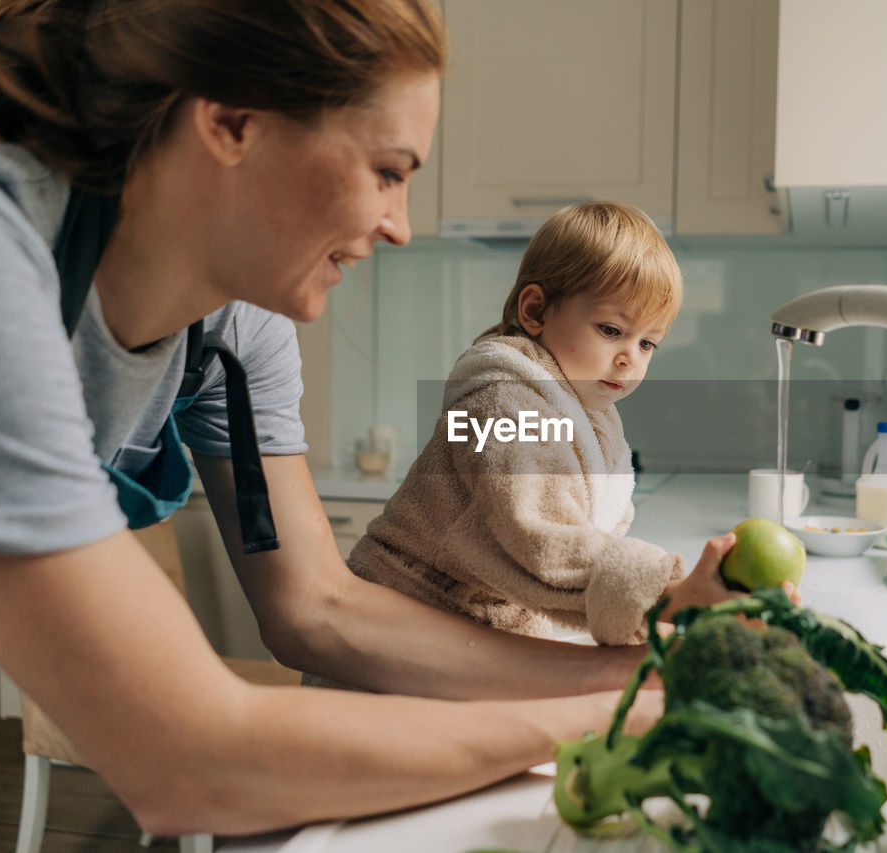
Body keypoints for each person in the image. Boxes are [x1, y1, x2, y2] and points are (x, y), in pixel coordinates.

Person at [0, 0, 740, 837]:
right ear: (232, 121)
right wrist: (602, 717)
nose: (401, 226)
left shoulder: (236, 329)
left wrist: (626, 677)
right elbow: (186, 759)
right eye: (388, 170)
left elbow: (315, 607)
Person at [304, 203, 740, 692]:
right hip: (396, 632)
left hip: (476, 633)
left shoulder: (587, 415)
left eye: (648, 344)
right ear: (535, 311)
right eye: (612, 331)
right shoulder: (502, 406)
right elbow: (539, 536)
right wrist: (668, 593)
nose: (629, 360)